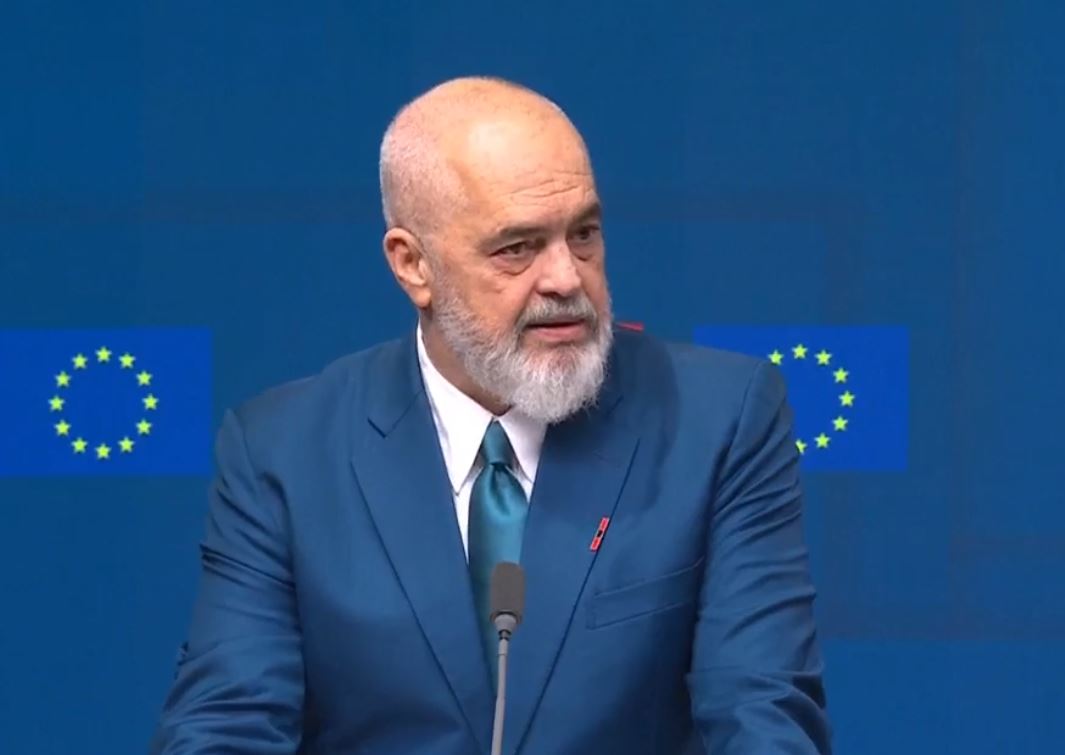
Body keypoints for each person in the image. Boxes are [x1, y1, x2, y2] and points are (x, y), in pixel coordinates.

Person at [152, 77, 831, 754]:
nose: (566, 278)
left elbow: (763, 714)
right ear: (412, 265)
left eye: (584, 234)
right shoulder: (283, 452)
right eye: (517, 248)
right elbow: (225, 726)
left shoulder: (718, 420)